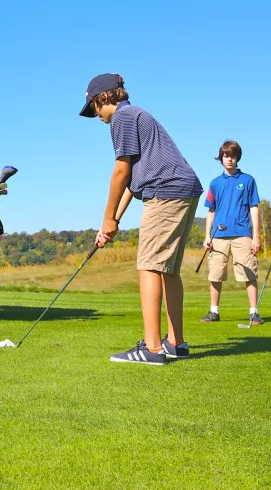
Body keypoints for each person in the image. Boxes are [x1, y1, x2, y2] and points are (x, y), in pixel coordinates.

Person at [80, 73, 203, 365]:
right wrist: (113, 222)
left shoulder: (123, 117)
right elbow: (134, 185)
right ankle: (175, 343)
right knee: (168, 269)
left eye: (94, 108)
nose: (96, 116)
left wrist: (107, 217)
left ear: (104, 98)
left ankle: (152, 349)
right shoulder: (138, 115)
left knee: (149, 266)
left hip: (165, 192)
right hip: (184, 189)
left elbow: (121, 172)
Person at [201, 140, 262, 325]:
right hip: (218, 236)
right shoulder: (215, 183)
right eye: (226, 156)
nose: (230, 159)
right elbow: (210, 211)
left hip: (243, 234)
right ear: (221, 158)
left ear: (238, 158)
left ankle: (253, 312)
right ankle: (214, 312)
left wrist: (256, 236)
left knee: (249, 273)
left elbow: (254, 208)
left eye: (233, 156)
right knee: (215, 274)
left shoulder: (248, 180)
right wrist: (207, 236)